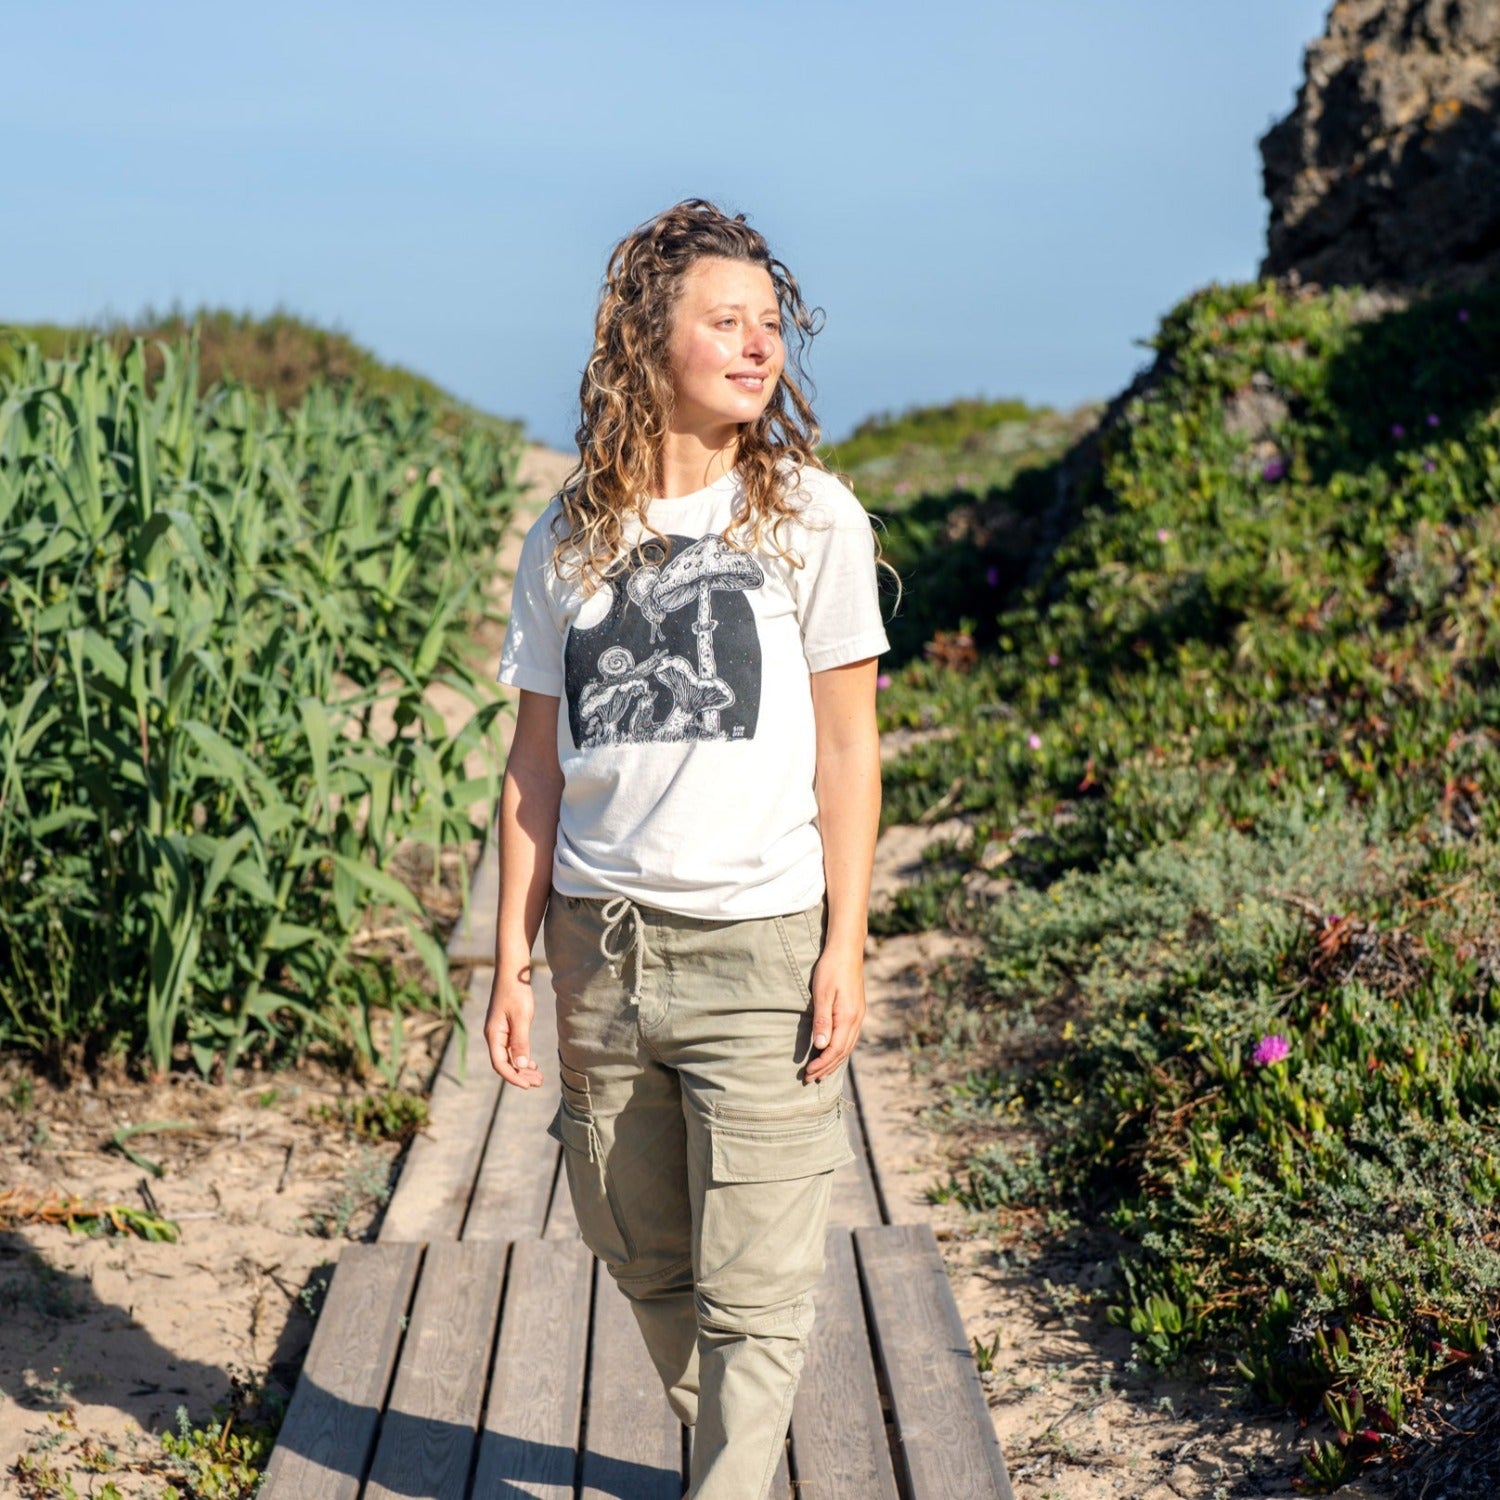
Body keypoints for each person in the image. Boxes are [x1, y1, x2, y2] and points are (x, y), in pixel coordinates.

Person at [485, 197, 889, 1500]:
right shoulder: (570, 537)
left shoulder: (811, 520)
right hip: (600, 949)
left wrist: (846, 945)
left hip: (763, 946)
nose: (759, 344)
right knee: (638, 1245)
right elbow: (533, 771)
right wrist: (509, 966)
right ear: (644, 339)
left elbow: (847, 750)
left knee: (759, 1290)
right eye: (727, 321)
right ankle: (743, 1454)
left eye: (773, 324)